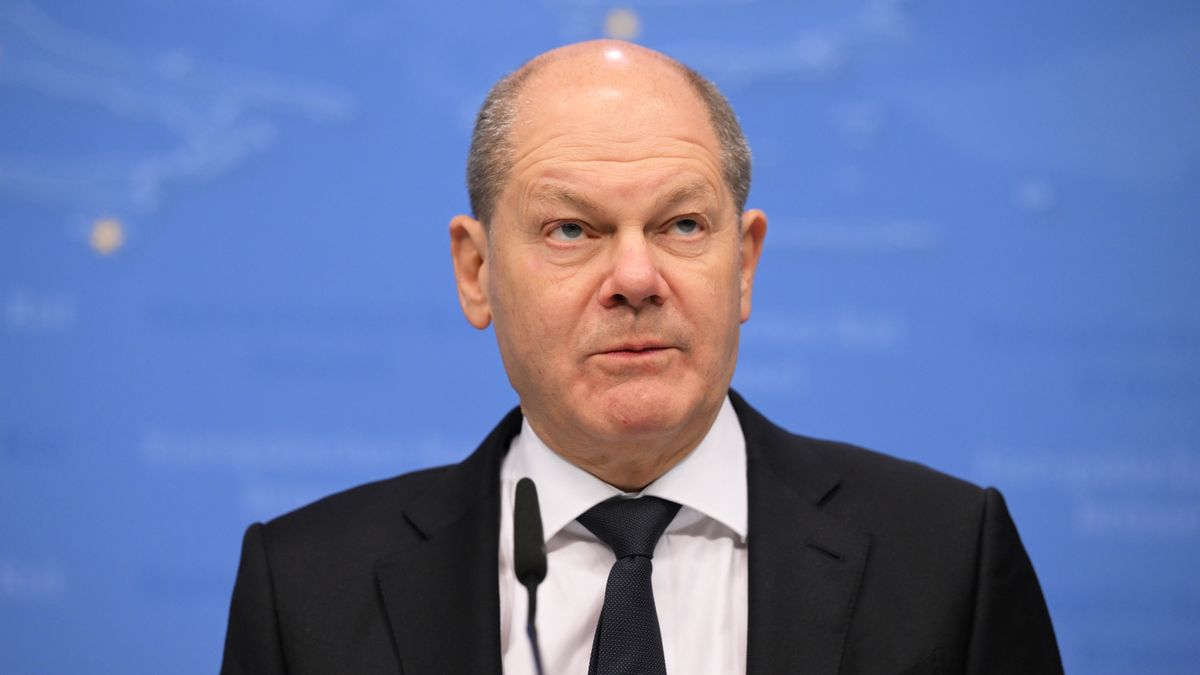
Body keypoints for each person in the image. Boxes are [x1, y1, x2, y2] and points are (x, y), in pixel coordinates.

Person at [221, 40, 1062, 674]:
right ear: (476, 272)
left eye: (683, 224)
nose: (634, 278)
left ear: (744, 264)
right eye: (571, 229)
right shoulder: (306, 587)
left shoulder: (949, 557)